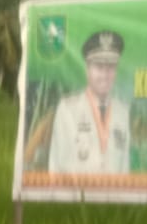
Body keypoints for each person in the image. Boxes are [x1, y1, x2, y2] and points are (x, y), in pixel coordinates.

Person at [48, 30, 130, 174]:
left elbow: (124, 167)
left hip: (113, 194)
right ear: (87, 69)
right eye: (99, 67)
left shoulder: (123, 111)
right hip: (79, 194)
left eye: (111, 67)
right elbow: (55, 164)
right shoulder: (68, 109)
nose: (105, 75)